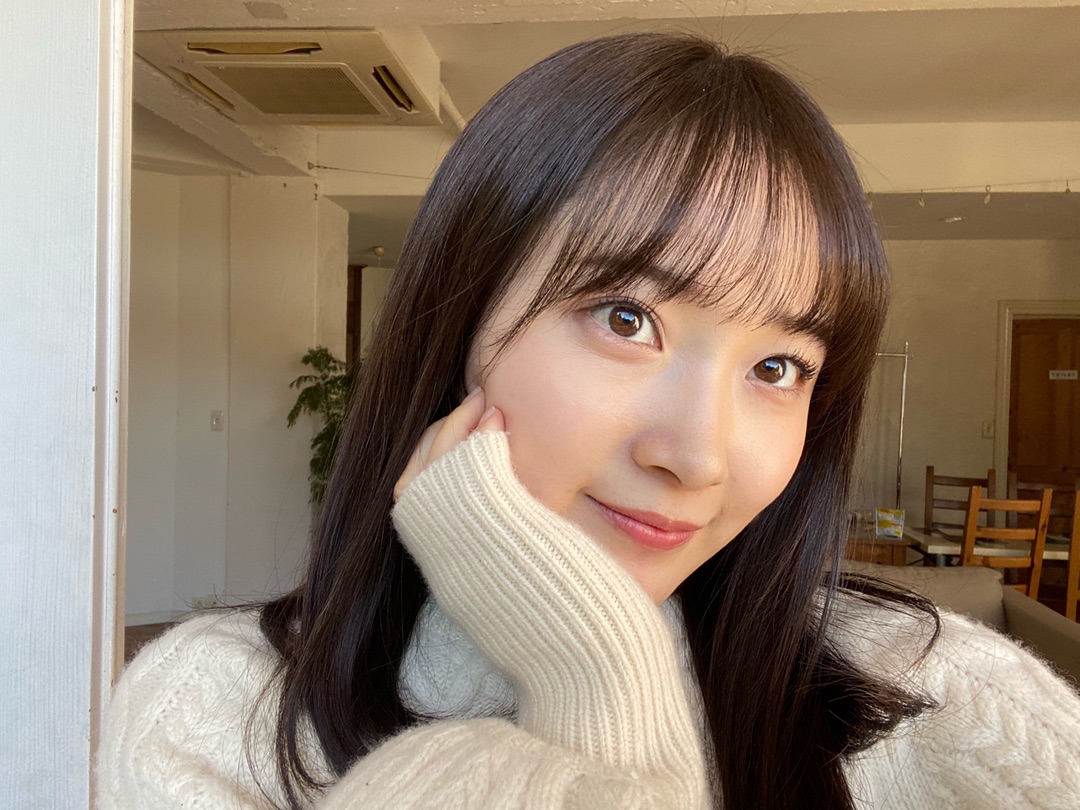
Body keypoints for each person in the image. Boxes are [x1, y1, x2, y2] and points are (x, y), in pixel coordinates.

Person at [98, 32, 1080, 809]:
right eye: (626, 318)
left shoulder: (944, 698)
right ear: (460, 320)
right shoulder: (218, 713)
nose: (697, 456)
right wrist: (591, 681)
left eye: (777, 367)